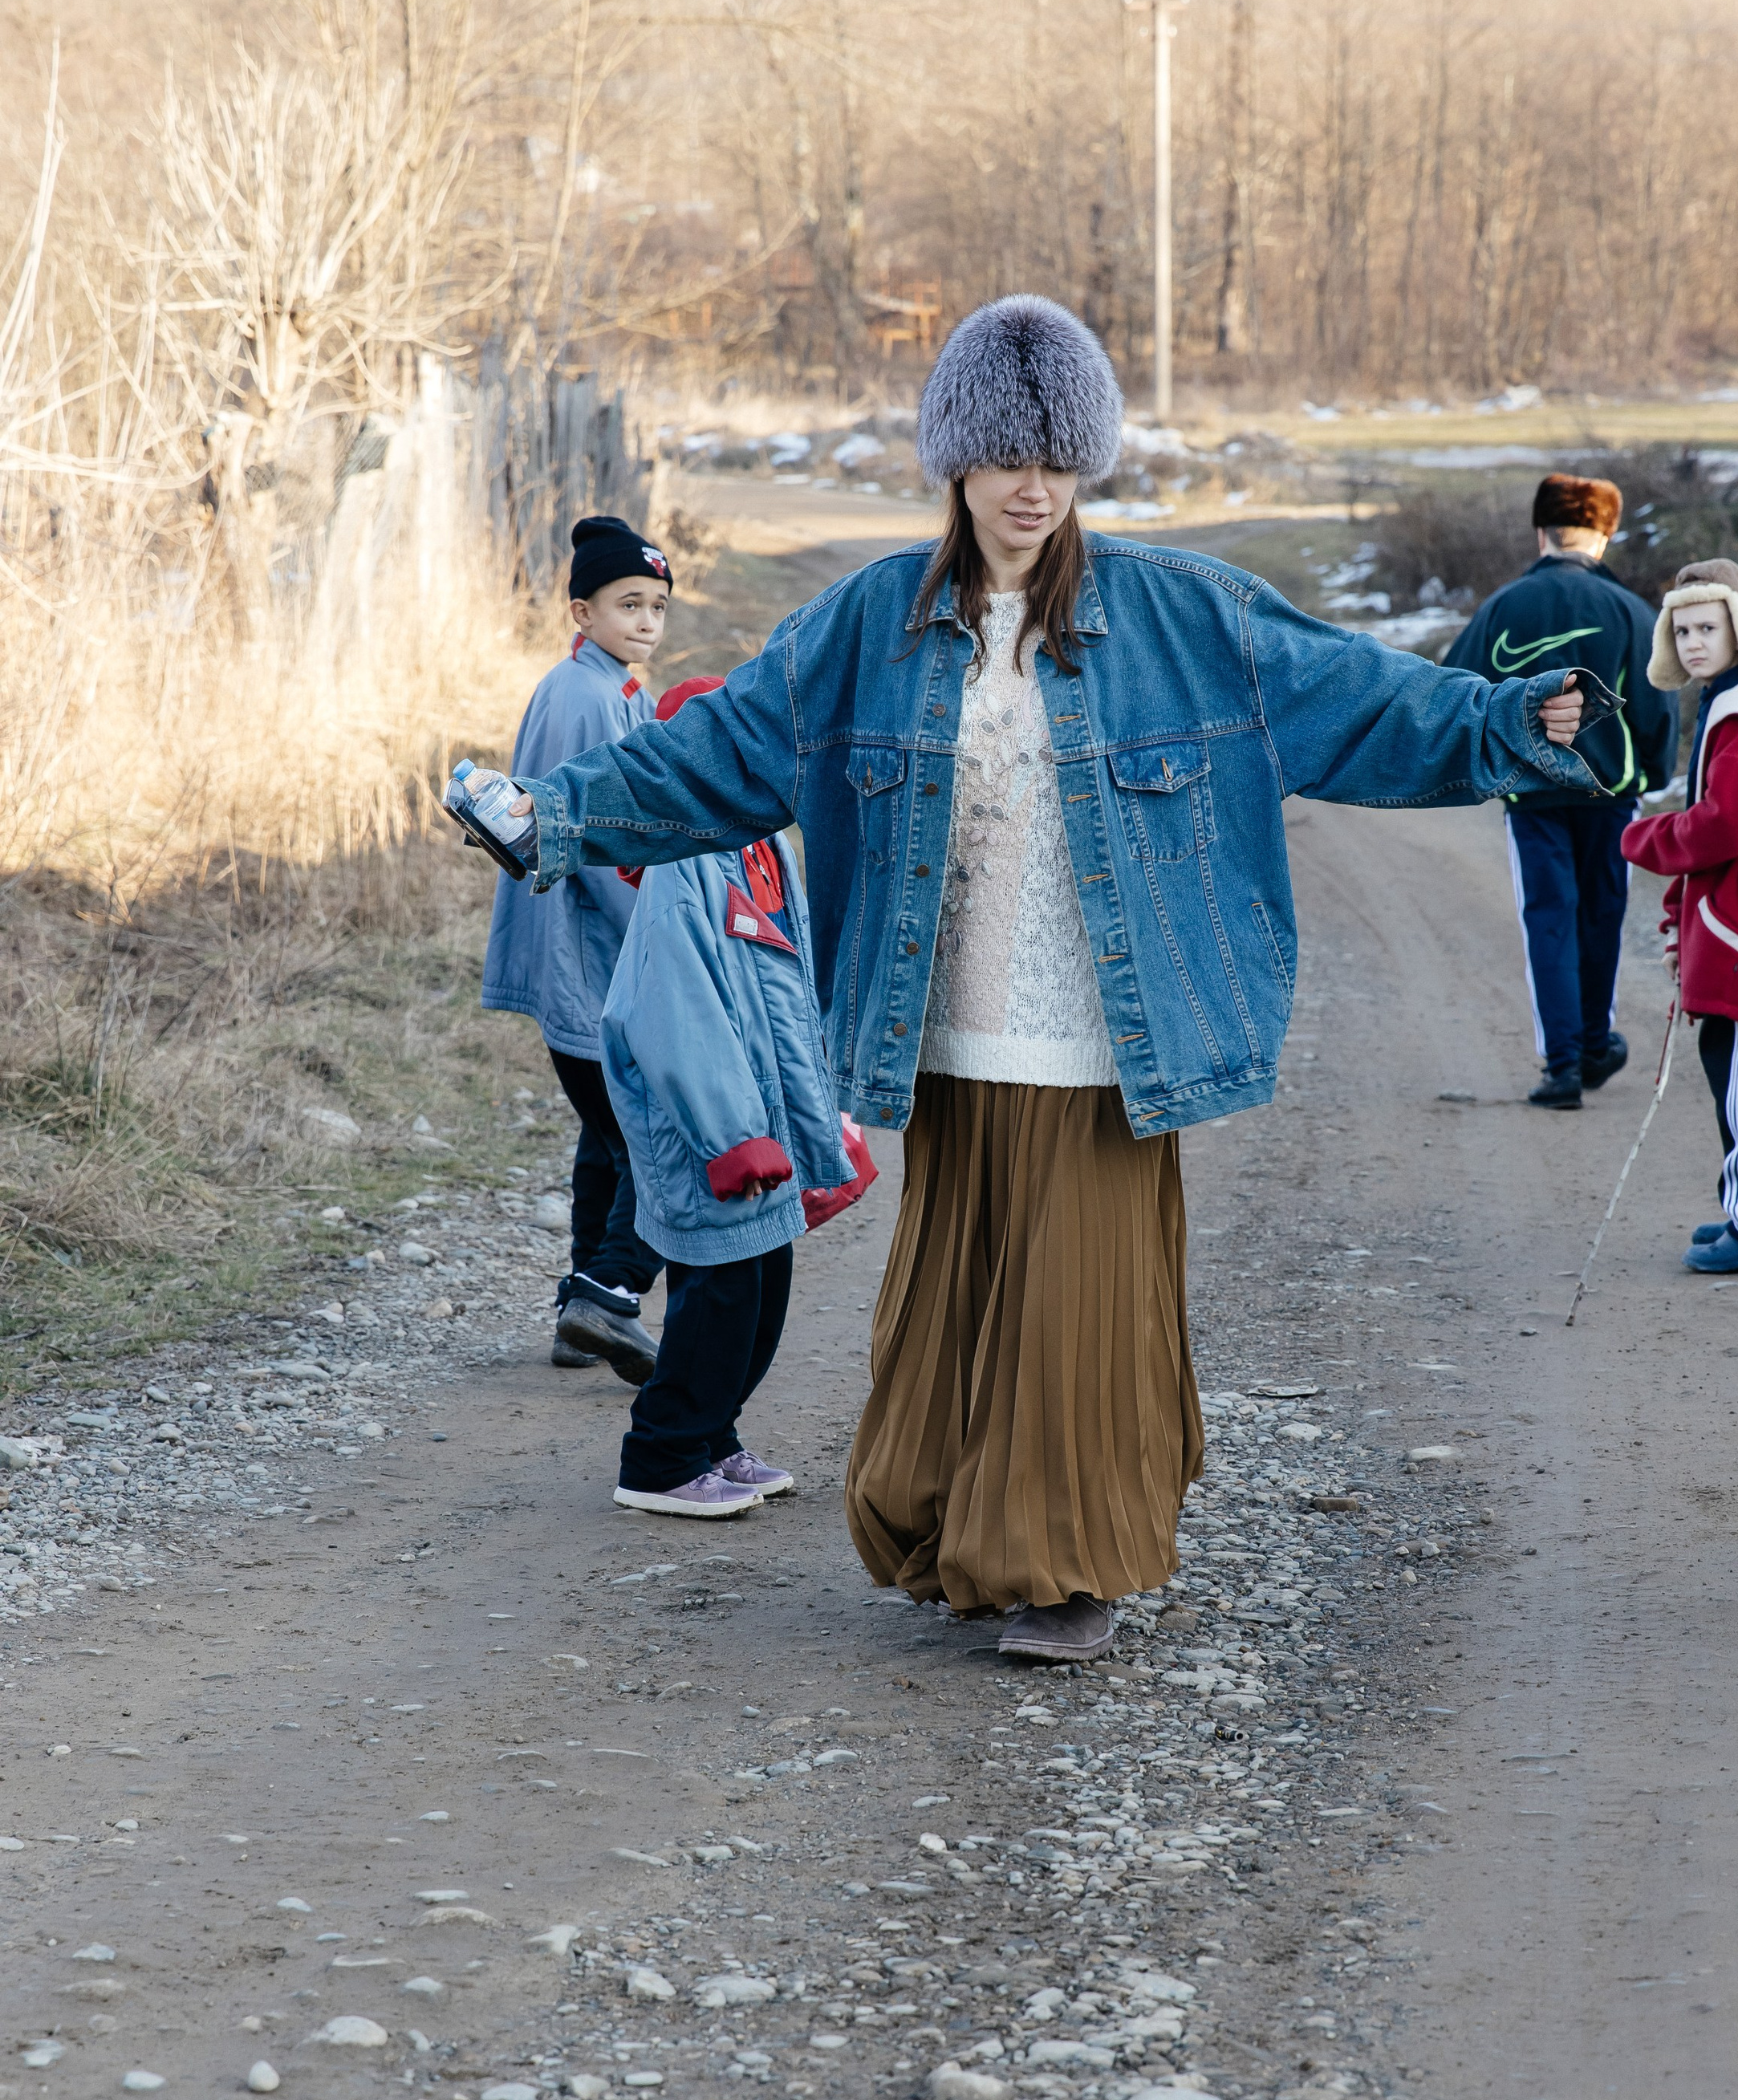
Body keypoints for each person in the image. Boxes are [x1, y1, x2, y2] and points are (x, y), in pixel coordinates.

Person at [454, 294, 1598, 1663]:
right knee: (957, 1301)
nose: (1032, 487)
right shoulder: (867, 623)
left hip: (1108, 1037)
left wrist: (1511, 721)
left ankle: (1065, 1568)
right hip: (946, 1033)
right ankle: (963, 1533)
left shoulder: (1185, 614)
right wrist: (555, 814)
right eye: (1006, 456)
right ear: (957, 459)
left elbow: (1361, 698)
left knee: (1078, 1315)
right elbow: (718, 753)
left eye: (1058, 459)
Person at [600, 672, 876, 1518]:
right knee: (718, 1299)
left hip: (764, 1123)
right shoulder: (682, 865)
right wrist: (730, 1135)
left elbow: (789, 994)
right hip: (710, 1133)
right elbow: (674, 1010)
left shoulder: (764, 847)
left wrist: (819, 1118)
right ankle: (661, 1456)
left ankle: (713, 1437)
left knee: (762, 1294)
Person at [481, 515, 674, 1382]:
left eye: (658, 606)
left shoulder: (615, 688)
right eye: (629, 604)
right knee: (657, 1134)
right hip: (590, 952)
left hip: (593, 952)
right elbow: (580, 841)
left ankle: (579, 1312)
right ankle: (607, 1295)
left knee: (608, 1137)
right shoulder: (583, 696)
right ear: (582, 611)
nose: (646, 621)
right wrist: (659, 933)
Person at [1444, 473, 1676, 1110]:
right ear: (1604, 535)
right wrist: (1652, 772)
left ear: (1540, 533)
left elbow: (1455, 690)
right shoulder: (1630, 610)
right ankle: (1596, 1043)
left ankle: (1564, 1067)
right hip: (1611, 795)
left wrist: (1478, 766)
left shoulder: (1502, 608)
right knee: (1601, 915)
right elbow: (1656, 704)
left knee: (1547, 919)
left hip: (1533, 793)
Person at [1618, 561, 1738, 1273]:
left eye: (1708, 627)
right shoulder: (1729, 706)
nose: (1694, 643)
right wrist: (1682, 909)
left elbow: (1721, 826)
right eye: (1682, 630)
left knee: (1736, 1082)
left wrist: (1640, 837)